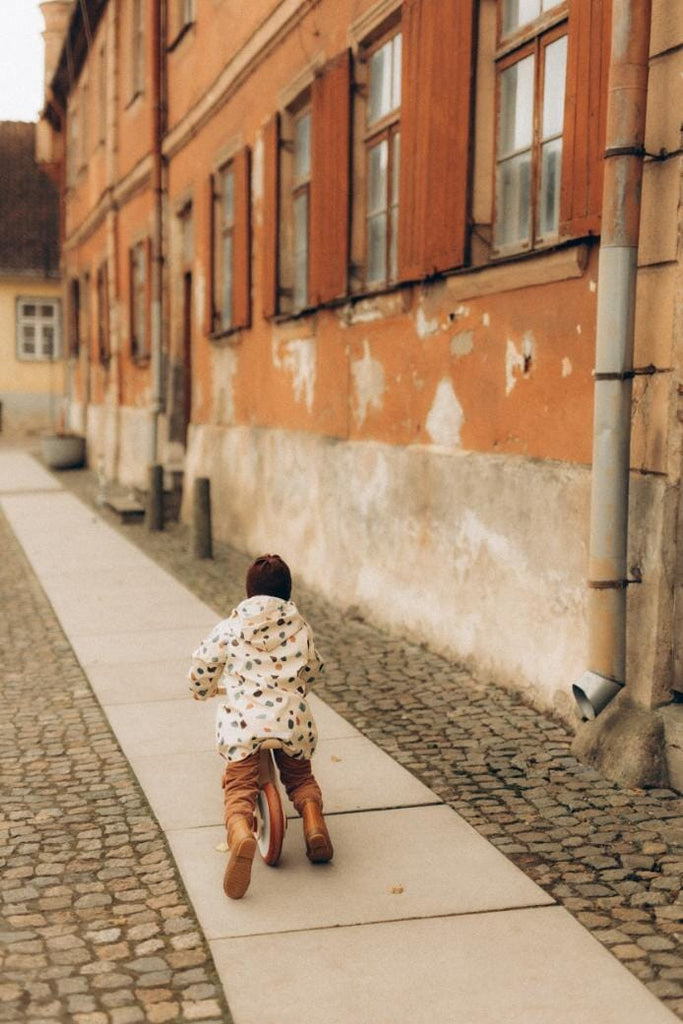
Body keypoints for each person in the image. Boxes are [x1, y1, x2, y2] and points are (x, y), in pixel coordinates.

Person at [188, 553, 333, 899]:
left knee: (238, 788)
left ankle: (240, 831)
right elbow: (314, 668)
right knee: (300, 778)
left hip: (244, 724)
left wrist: (201, 689)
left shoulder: (230, 628)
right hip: (290, 720)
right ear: (288, 592)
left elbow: (204, 666)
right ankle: (314, 822)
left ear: (248, 592)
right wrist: (300, 684)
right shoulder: (300, 627)